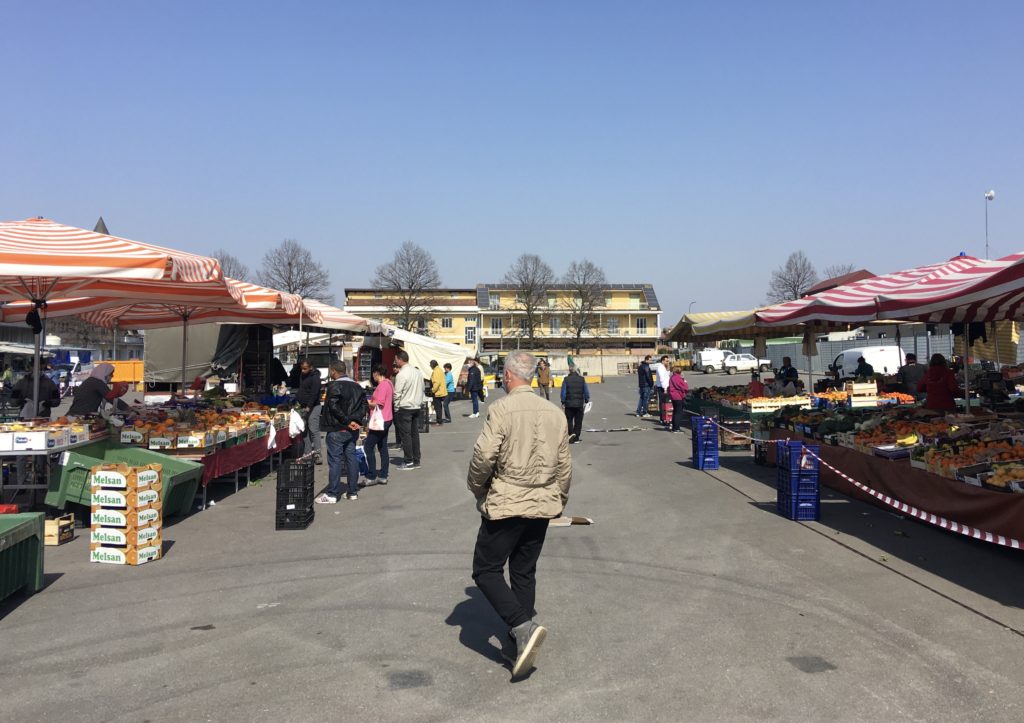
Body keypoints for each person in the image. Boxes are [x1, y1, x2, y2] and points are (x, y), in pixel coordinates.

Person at [467, 350, 572, 682]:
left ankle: (522, 626)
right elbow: (565, 465)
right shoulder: (555, 413)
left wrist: (477, 487)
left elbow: (484, 455)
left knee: (485, 570)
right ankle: (519, 643)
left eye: (503, 376)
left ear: (510, 377)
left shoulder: (501, 409)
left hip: (509, 500)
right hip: (543, 501)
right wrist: (559, 498)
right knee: (524, 572)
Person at [316, 361, 368, 504]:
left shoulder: (335, 386)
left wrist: (347, 421)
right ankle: (352, 492)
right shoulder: (357, 386)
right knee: (351, 458)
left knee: (335, 461)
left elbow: (333, 406)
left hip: (338, 428)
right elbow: (364, 406)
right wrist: (355, 420)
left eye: (330, 372)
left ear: (333, 371)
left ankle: (332, 494)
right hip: (351, 429)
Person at [392, 349, 425, 470]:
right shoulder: (417, 372)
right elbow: (422, 389)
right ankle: (416, 460)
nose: (395, 362)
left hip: (405, 407)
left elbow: (397, 393)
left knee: (406, 435)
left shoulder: (402, 374)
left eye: (396, 360)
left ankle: (408, 461)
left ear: (400, 360)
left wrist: (396, 408)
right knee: (414, 435)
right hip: (416, 406)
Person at [362, 364, 393, 487]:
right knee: (382, 446)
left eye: (373, 374)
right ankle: (383, 475)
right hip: (387, 418)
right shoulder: (389, 383)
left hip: (380, 420)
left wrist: (369, 402)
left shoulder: (382, 385)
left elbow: (379, 403)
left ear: (376, 373)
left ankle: (372, 475)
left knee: (368, 446)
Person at [295, 359, 324, 465]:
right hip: (303, 406)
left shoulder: (315, 378)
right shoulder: (303, 375)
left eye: (305, 368)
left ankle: (317, 454)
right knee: (304, 430)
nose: (302, 370)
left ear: (311, 367)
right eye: (301, 368)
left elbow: (314, 394)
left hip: (314, 407)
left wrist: (309, 406)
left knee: (313, 430)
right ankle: (307, 453)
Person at [560, 365, 589, 443]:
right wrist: (587, 399)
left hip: (569, 404)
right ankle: (576, 436)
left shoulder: (566, 380)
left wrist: (563, 401)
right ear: (576, 371)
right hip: (579, 404)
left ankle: (571, 434)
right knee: (578, 421)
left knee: (569, 420)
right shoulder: (582, 379)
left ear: (569, 371)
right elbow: (586, 391)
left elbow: (563, 392)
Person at [668, 365, 690, 433]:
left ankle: (674, 427)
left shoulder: (673, 377)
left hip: (674, 396)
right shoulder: (677, 378)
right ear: (679, 371)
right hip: (678, 396)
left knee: (675, 412)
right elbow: (684, 387)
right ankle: (676, 428)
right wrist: (684, 380)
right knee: (678, 413)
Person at [429, 360, 448, 426]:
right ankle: (439, 420)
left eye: (430, 364)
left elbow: (437, 382)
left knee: (438, 407)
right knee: (439, 407)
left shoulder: (436, 371)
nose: (430, 366)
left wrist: (433, 390)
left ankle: (439, 421)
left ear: (432, 365)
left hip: (438, 392)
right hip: (441, 391)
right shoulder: (439, 369)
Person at [655, 355, 672, 425]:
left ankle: (665, 417)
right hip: (662, 387)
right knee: (663, 403)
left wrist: (668, 367)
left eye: (668, 361)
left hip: (665, 386)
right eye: (666, 361)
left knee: (666, 403)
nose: (668, 362)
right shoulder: (660, 368)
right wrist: (665, 388)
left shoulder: (664, 367)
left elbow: (667, 375)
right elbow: (662, 379)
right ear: (662, 361)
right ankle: (662, 418)